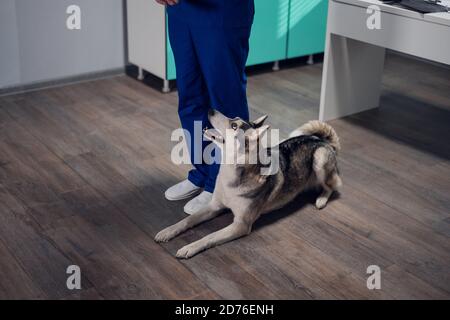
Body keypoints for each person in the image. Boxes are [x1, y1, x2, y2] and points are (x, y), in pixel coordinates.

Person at [155, 0, 255, 214]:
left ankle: (223, 184)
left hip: (222, 9)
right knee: (190, 94)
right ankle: (202, 173)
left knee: (224, 101)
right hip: (181, 8)